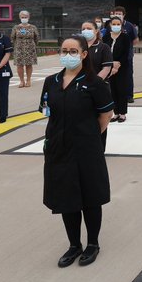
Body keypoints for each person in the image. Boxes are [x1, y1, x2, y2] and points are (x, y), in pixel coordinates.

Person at [40, 36, 114, 268]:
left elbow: (106, 115)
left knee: (90, 197)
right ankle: (74, 245)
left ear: (83, 54)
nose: (68, 55)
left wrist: (89, 136)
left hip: (86, 149)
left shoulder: (94, 83)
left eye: (73, 51)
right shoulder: (51, 82)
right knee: (66, 197)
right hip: (58, 149)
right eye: (64, 50)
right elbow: (48, 113)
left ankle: (92, 244)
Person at [101, 16, 133, 123]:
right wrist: (110, 64)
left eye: (118, 24)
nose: (116, 26)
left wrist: (117, 64)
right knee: (112, 90)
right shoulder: (106, 37)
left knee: (121, 89)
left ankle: (122, 113)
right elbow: (104, 51)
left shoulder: (125, 37)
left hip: (122, 67)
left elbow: (126, 53)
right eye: (114, 24)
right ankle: (116, 113)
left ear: (121, 25)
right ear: (110, 25)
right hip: (109, 67)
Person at [111, 6, 139, 104]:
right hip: (113, 56)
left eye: (120, 14)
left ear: (124, 15)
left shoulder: (129, 26)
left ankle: (129, 96)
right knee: (113, 76)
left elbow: (135, 40)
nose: (117, 15)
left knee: (127, 76)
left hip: (127, 56)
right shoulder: (109, 25)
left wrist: (127, 47)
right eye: (116, 13)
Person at [10, 11, 41, 88]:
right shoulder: (16, 27)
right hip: (19, 48)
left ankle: (28, 80)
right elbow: (12, 38)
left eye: (25, 17)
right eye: (22, 17)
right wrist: (16, 45)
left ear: (28, 17)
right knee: (19, 65)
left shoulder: (33, 27)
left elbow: (37, 37)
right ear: (20, 18)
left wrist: (33, 45)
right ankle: (21, 81)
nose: (24, 18)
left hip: (30, 48)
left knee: (29, 64)